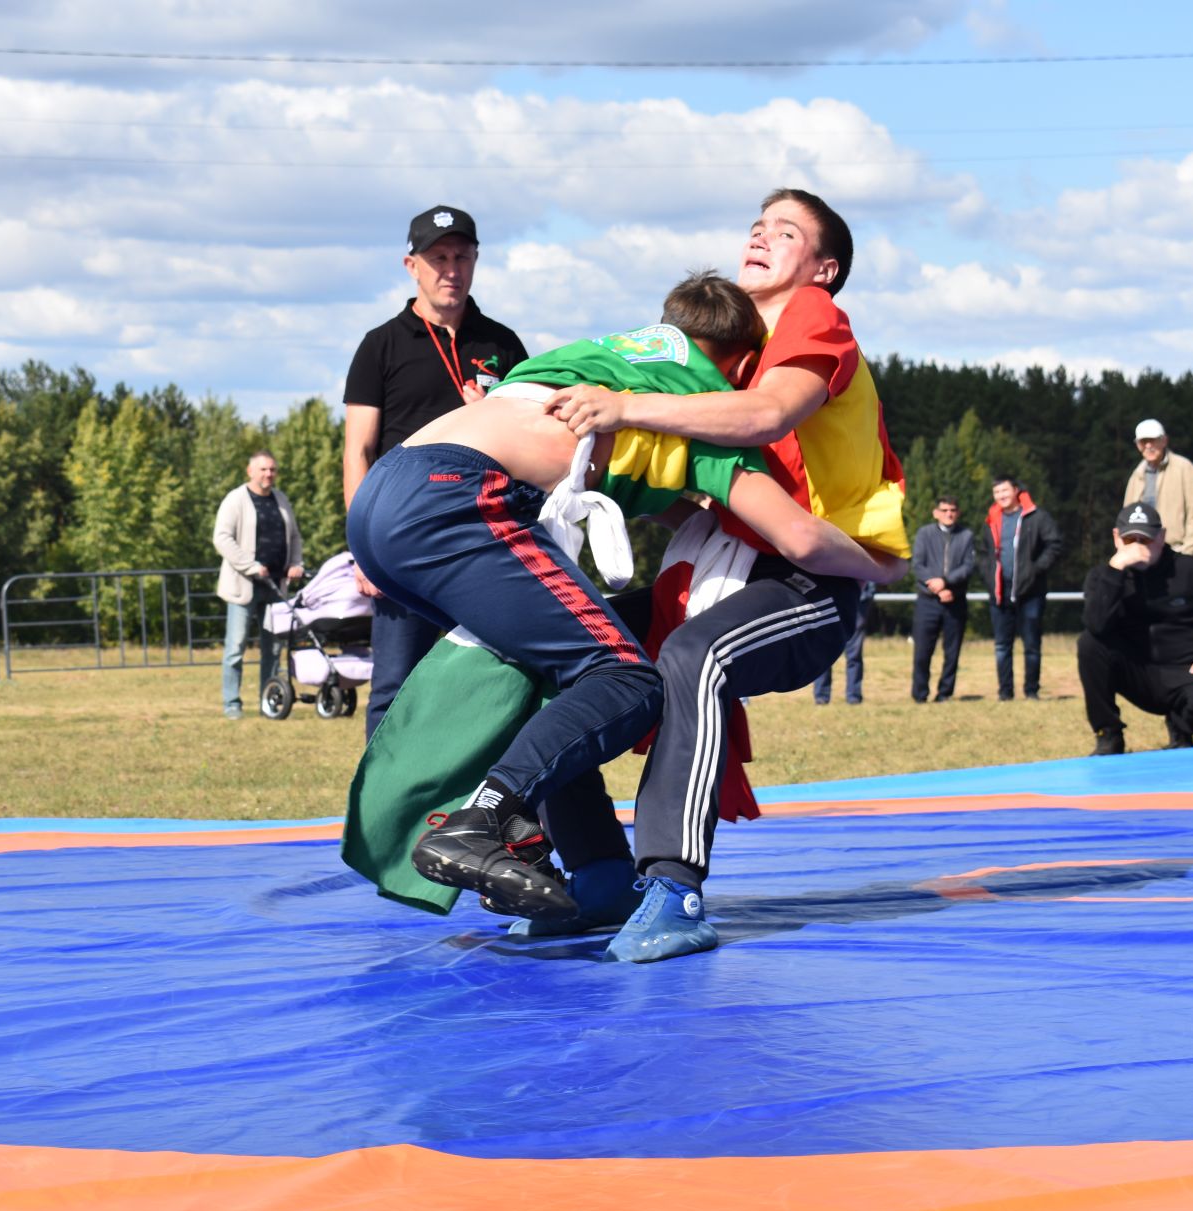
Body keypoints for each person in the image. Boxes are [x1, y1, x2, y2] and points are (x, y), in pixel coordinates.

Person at [348, 271, 892, 926]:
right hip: (460, 498)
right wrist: (880, 566)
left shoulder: (598, 357)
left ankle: (596, 868)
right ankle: (487, 819)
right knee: (626, 676)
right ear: (743, 363)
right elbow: (798, 537)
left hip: (390, 493)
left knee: (543, 674)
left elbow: (630, 482)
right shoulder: (704, 405)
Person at [542, 188, 911, 962]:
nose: (760, 237)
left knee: (694, 655)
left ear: (825, 267)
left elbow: (767, 419)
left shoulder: (814, 317)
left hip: (808, 582)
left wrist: (622, 405)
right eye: (755, 226)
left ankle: (673, 890)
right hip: (724, 559)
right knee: (554, 651)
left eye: (786, 230)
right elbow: (691, 490)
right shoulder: (726, 352)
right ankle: (600, 871)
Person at [343, 205, 529, 737]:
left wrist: (493, 412)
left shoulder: (501, 344)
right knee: (396, 686)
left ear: (475, 260)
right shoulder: (381, 345)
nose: (451, 269)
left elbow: (532, 435)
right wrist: (362, 545)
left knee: (492, 677)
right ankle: (388, 818)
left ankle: (483, 811)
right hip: (401, 536)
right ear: (411, 265)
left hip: (482, 535)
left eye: (462, 256)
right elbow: (358, 450)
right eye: (438, 257)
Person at [1080, 501, 1193, 755]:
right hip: (1137, 671)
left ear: (1162, 536)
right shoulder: (1104, 576)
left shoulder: (1192, 569)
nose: (1137, 548)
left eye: (1145, 540)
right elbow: (1096, 626)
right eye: (1129, 540)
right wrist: (1116, 572)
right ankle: (1108, 735)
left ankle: (1181, 725)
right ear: (1116, 538)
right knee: (1089, 644)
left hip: (1188, 670)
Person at [213, 451, 303, 719]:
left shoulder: (281, 499)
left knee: (273, 648)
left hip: (276, 585)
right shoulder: (236, 499)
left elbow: (295, 536)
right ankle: (232, 704)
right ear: (250, 471)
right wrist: (251, 566)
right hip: (244, 586)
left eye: (273, 470)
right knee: (236, 647)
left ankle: (269, 702)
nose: (269, 474)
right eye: (263, 470)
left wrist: (297, 563)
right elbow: (222, 538)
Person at [976, 476, 1062, 701]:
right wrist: (988, 575)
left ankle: (1031, 691)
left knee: (1032, 645)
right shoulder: (991, 519)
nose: (1001, 496)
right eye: (996, 492)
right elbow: (983, 552)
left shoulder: (1037, 517)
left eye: (1004, 491)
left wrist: (1035, 569)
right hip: (999, 591)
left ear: (1015, 490)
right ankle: (1005, 693)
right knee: (1002, 646)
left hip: (1031, 591)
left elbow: (1054, 545)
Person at [909, 494, 975, 702]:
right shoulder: (924, 534)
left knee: (952, 652)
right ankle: (920, 694)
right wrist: (937, 587)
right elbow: (918, 564)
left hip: (955, 600)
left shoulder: (966, 536)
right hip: (927, 601)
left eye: (953, 511)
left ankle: (945, 693)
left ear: (958, 513)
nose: (949, 514)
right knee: (922, 651)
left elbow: (968, 566)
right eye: (945, 510)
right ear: (936, 513)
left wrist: (946, 582)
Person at [1123, 419, 1193, 555]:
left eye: (1153, 440)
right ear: (1138, 445)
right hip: (1141, 553)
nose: (1148, 446)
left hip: (1175, 551)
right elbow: (1126, 516)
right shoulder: (1136, 475)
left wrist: (1187, 552)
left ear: (1164, 441)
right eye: (1143, 442)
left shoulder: (1185, 469)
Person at [812, 581, 874, 704]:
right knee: (824, 650)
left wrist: (868, 594)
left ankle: (854, 696)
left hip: (859, 599)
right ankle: (821, 696)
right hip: (828, 596)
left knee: (854, 654)